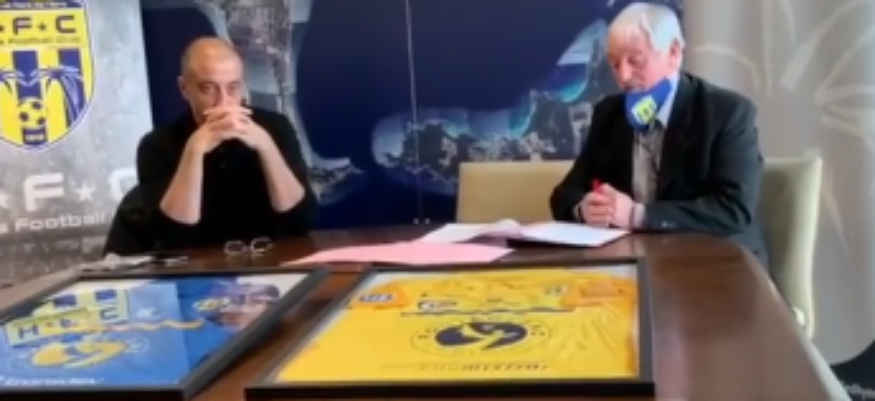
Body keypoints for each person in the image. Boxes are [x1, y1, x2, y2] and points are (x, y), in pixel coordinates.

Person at [550, 3, 768, 265]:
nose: (623, 76)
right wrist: (585, 209)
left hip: (715, 262)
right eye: (615, 63)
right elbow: (565, 195)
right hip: (637, 261)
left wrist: (638, 215)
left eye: (635, 61)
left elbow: (733, 209)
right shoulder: (609, 113)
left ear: (673, 53)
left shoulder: (726, 112)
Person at [136, 37, 317, 251]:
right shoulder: (156, 145)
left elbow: (302, 221)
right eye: (208, 88)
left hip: (276, 260)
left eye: (232, 88)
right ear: (184, 88)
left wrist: (266, 147)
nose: (223, 102)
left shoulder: (275, 127)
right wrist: (194, 151)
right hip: (199, 267)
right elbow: (170, 237)